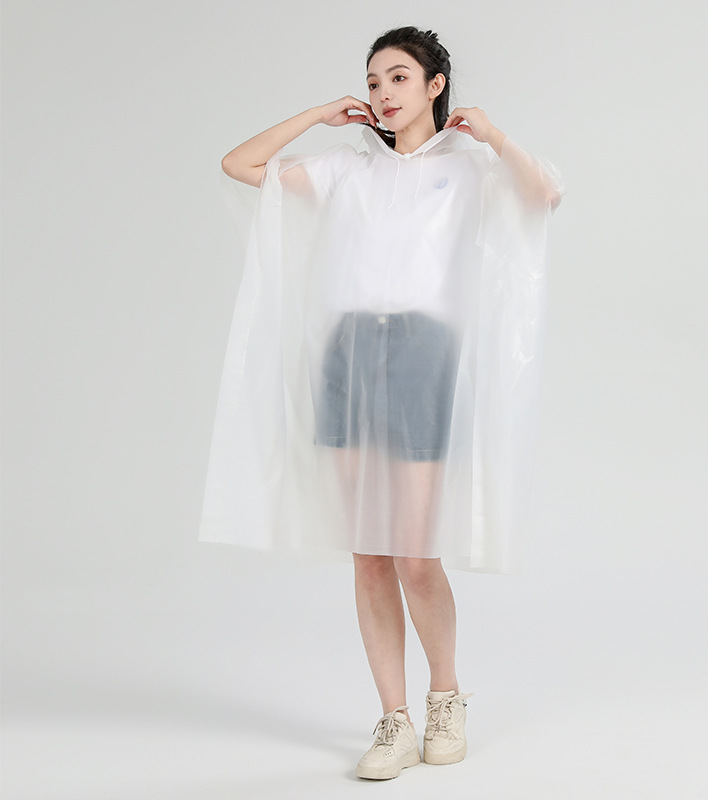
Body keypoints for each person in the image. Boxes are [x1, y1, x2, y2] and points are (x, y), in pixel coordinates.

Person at [202, 25, 563, 781]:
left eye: (399, 77)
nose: (383, 93)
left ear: (435, 86)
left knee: (415, 552)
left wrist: (493, 135)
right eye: (373, 81)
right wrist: (318, 115)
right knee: (368, 552)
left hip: (424, 352)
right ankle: (394, 719)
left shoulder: (468, 168)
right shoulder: (347, 168)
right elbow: (241, 164)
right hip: (348, 352)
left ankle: (445, 697)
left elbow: (544, 194)